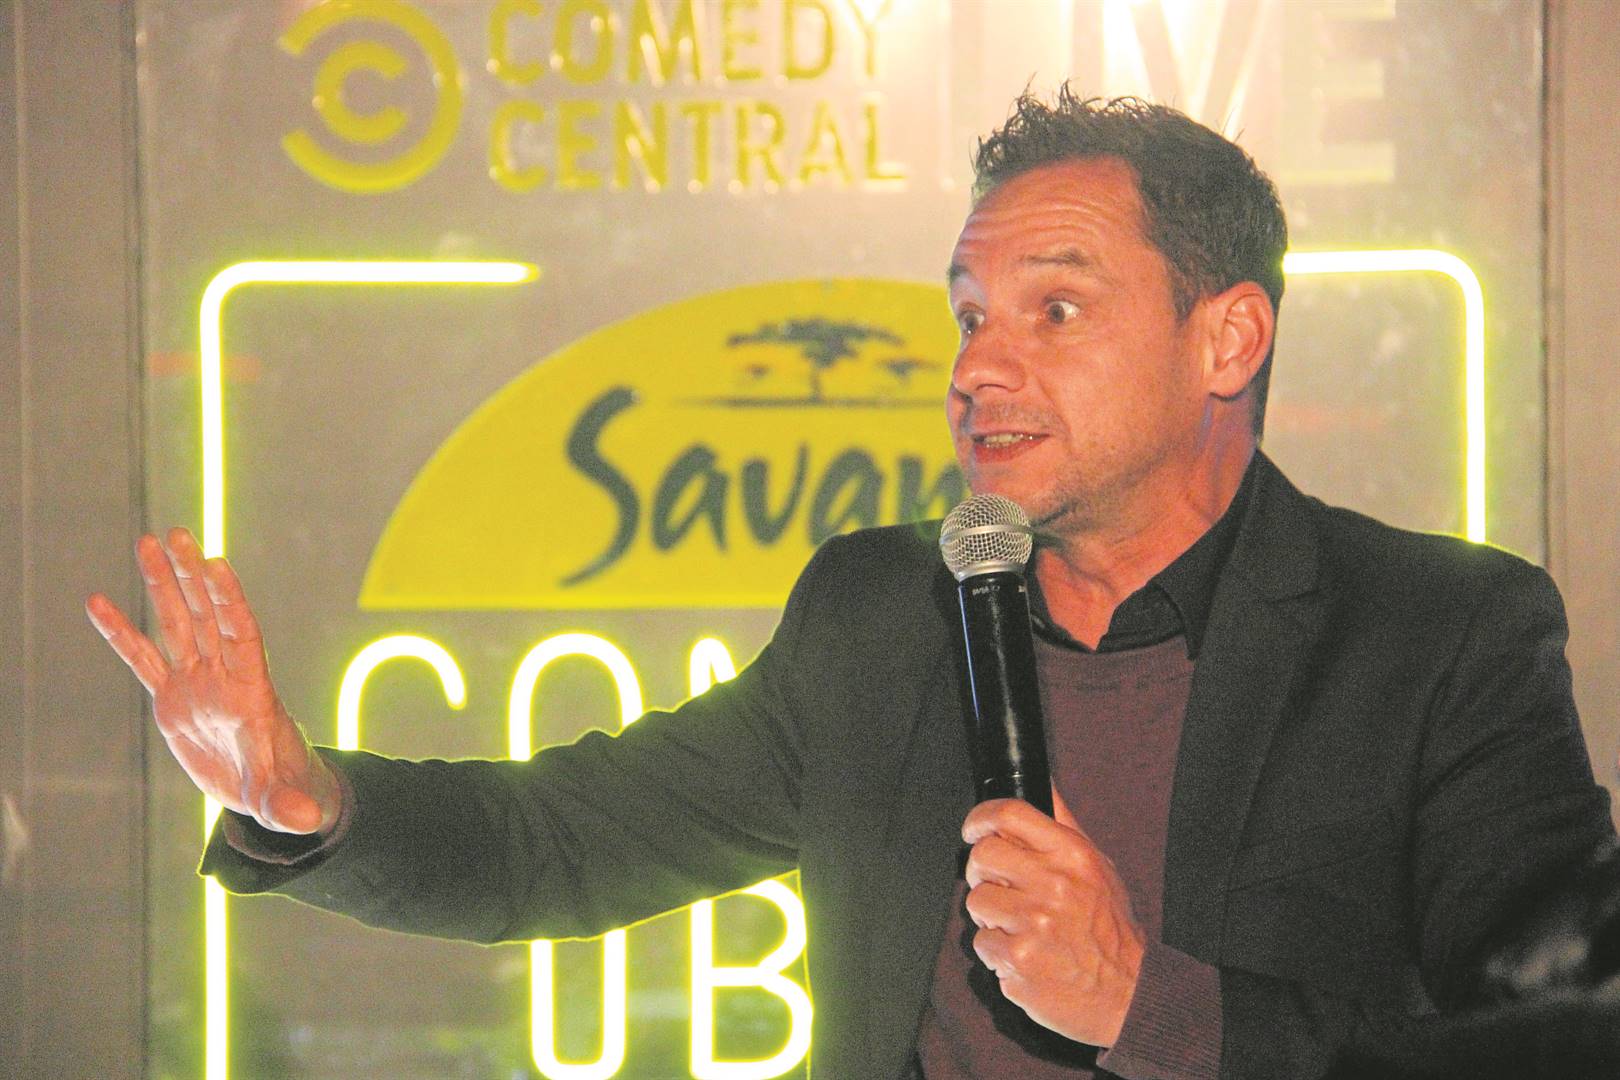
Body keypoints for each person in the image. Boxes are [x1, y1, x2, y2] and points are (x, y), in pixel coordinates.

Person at [86, 90, 1615, 1078]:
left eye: (1054, 310)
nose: (980, 367)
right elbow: (558, 841)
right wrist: (302, 797)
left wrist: (1147, 1001)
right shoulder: (887, 617)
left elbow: (1563, 1038)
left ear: (1228, 339)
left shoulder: (1439, 638)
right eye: (967, 314)